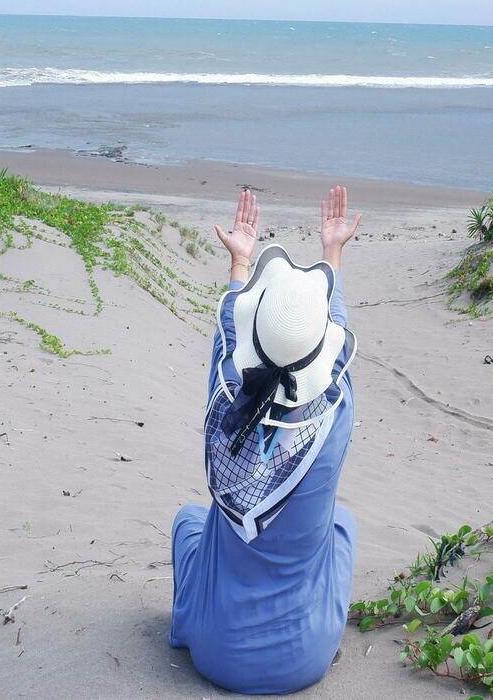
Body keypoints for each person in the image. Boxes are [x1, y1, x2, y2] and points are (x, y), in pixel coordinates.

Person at [169, 185, 363, 694]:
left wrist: (240, 261)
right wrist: (332, 253)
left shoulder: (224, 403)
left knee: (190, 521)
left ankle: (195, 618)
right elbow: (334, 332)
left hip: (214, 651)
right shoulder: (336, 414)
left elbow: (227, 337)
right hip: (307, 657)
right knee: (341, 526)